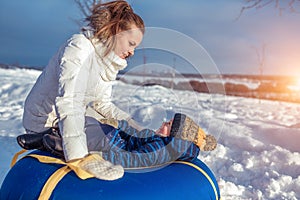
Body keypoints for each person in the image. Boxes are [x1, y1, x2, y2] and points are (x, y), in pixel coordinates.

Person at [17, 0, 145, 180]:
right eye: (131, 43)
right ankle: (52, 140)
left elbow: (103, 105)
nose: (132, 52)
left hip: (69, 119)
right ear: (116, 31)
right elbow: (70, 101)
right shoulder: (79, 47)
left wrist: (136, 128)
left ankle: (58, 141)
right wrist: (78, 156)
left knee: (116, 130)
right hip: (44, 121)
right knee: (108, 138)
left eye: (135, 47)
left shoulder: (105, 61)